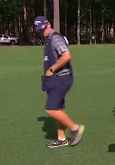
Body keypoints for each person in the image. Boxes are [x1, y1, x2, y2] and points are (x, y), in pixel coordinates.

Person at [33, 16, 85, 148]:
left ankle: (75, 128)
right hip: (53, 79)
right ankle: (62, 139)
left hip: (61, 78)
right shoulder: (48, 40)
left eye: (43, 28)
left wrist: (52, 69)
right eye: (40, 30)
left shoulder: (55, 38)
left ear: (48, 24)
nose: (42, 31)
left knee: (50, 109)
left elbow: (67, 56)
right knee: (57, 108)